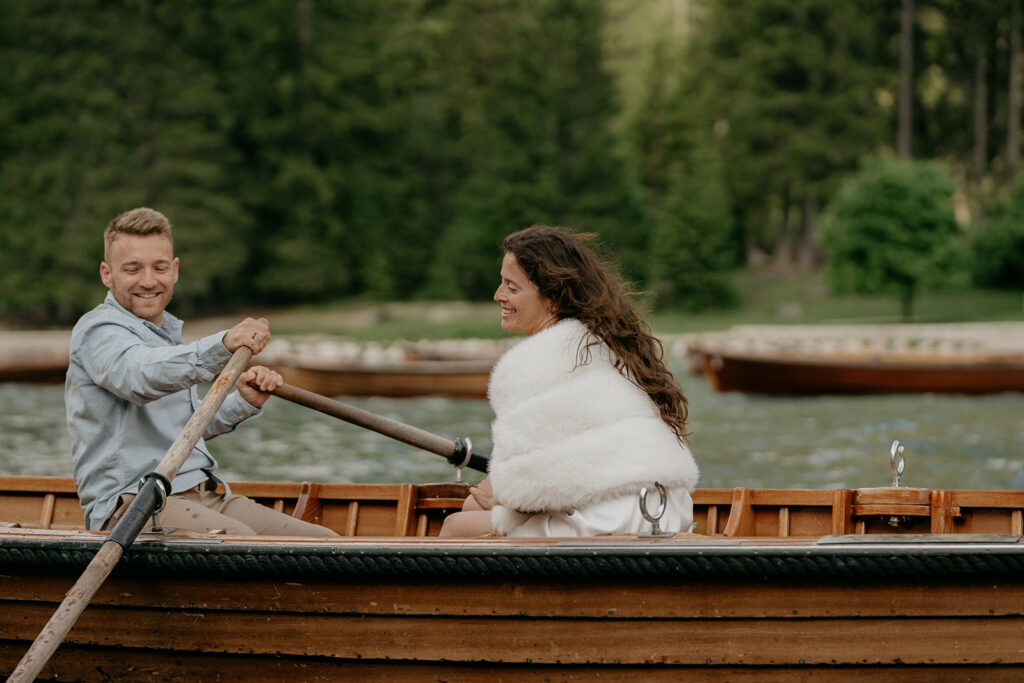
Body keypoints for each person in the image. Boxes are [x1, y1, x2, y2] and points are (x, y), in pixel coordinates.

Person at [66, 207, 337, 536]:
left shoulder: (166, 336)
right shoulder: (98, 331)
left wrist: (245, 401)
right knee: (245, 546)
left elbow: (184, 429)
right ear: (107, 274)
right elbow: (140, 378)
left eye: (159, 267)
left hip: (202, 494)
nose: (149, 280)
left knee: (326, 543)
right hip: (133, 504)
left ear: (175, 270)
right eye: (132, 269)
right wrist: (222, 345)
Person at [440, 225, 699, 537]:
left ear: (553, 297)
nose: (498, 295)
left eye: (511, 287)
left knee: (455, 526)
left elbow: (523, 494)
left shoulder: (530, 363)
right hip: (667, 511)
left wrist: (491, 494)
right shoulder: (613, 344)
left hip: (611, 519)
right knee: (477, 508)